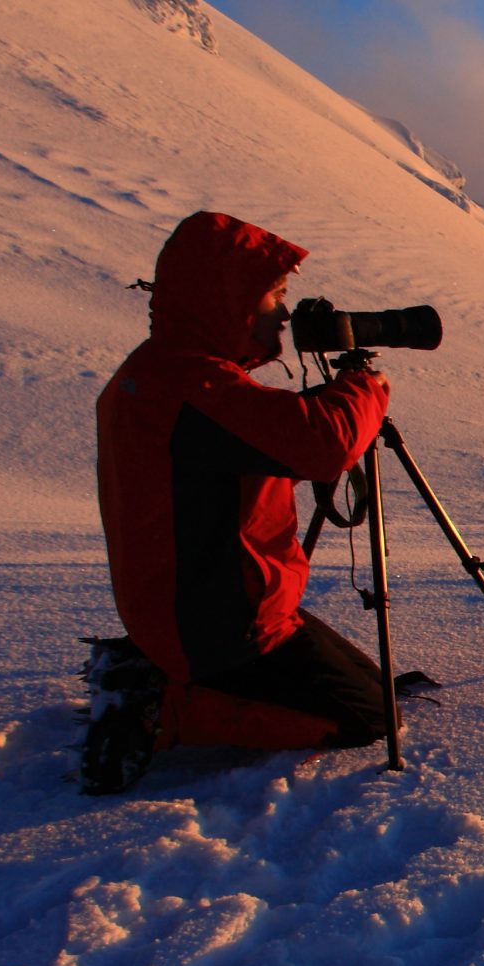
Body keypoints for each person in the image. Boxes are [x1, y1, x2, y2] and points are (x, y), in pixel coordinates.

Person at [84, 210, 394, 792]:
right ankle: (163, 709)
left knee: (371, 685)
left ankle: (158, 670)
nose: (283, 311)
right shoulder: (193, 388)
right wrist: (364, 389)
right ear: (227, 300)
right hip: (219, 626)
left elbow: (238, 457)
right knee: (369, 717)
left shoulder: (163, 373)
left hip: (192, 606)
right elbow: (324, 445)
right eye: (273, 293)